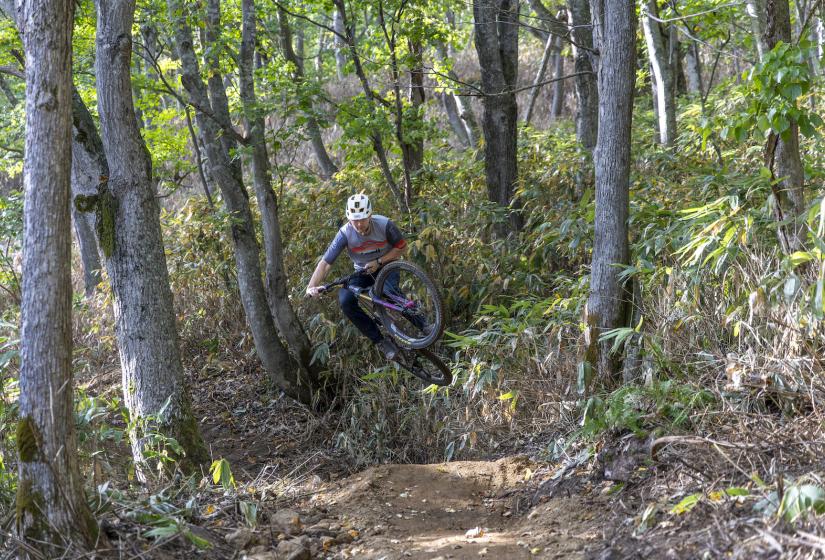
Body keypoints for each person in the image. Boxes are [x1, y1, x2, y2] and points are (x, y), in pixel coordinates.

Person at [305, 194, 407, 360]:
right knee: (346, 301)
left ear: (369, 215)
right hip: (362, 271)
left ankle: (423, 324)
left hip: (387, 266)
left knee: (388, 292)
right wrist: (311, 286)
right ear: (348, 218)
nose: (359, 224)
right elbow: (325, 263)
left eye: (362, 219)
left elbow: (402, 247)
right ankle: (381, 342)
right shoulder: (345, 233)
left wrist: (379, 261)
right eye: (354, 220)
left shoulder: (384, 224)